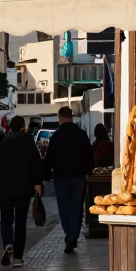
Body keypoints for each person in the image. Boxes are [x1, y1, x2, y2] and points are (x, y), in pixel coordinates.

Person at [0, 114, 43, 268]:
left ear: (10, 127)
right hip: (23, 190)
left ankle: (7, 244)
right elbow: (36, 164)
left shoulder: (3, 143)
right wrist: (38, 183)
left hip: (4, 190)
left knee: (5, 220)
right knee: (20, 223)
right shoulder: (28, 142)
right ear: (23, 127)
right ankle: (18, 258)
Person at [43, 106, 94, 254]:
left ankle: (68, 234)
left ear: (60, 119)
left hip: (61, 178)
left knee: (64, 208)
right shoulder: (81, 134)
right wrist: (90, 171)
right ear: (72, 118)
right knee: (76, 208)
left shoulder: (56, 136)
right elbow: (89, 155)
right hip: (78, 177)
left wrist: (45, 174)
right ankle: (73, 235)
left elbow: (50, 157)